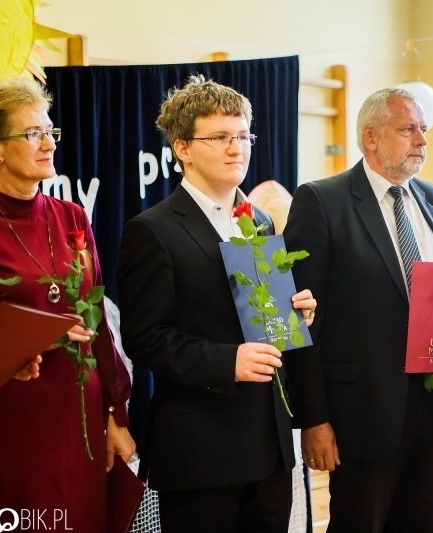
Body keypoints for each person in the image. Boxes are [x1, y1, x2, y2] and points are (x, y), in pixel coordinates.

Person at [116, 74, 316, 533]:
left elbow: (262, 321)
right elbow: (146, 340)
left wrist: (294, 313)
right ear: (182, 148)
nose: (237, 148)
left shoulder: (260, 220)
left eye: (244, 135)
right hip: (202, 449)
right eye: (221, 137)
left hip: (268, 445)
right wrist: (229, 360)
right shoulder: (154, 230)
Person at [282, 87, 433, 533]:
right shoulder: (322, 201)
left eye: (424, 130)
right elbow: (301, 319)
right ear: (370, 138)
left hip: (432, 403)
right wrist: (314, 418)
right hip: (361, 411)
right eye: (408, 129)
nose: (422, 140)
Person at [0, 76, 134, 532]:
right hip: (9, 422)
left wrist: (116, 414)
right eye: (32, 134)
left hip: (80, 418)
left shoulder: (73, 217)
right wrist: (21, 345)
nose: (48, 143)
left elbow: (98, 325)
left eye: (50, 131)